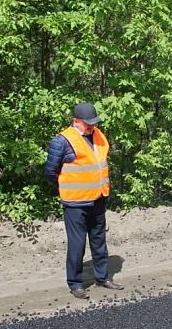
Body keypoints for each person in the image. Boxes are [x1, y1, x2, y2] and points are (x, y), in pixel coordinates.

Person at [45, 102, 123, 299]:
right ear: (75, 121)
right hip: (75, 203)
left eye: (93, 123)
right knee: (77, 244)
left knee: (99, 240)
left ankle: (103, 277)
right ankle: (75, 283)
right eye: (87, 124)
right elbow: (50, 172)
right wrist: (67, 187)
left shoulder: (98, 136)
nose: (91, 127)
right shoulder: (62, 141)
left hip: (98, 198)